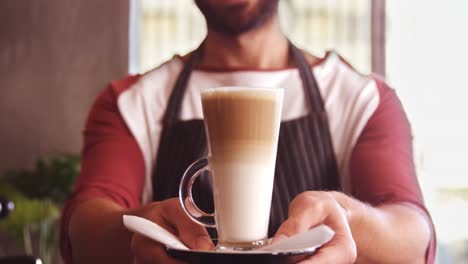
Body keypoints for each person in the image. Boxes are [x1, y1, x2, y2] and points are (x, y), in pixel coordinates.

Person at [60, 0, 435, 263]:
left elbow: (414, 240)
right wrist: (144, 231)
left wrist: (348, 218)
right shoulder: (132, 102)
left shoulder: (362, 99)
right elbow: (82, 232)